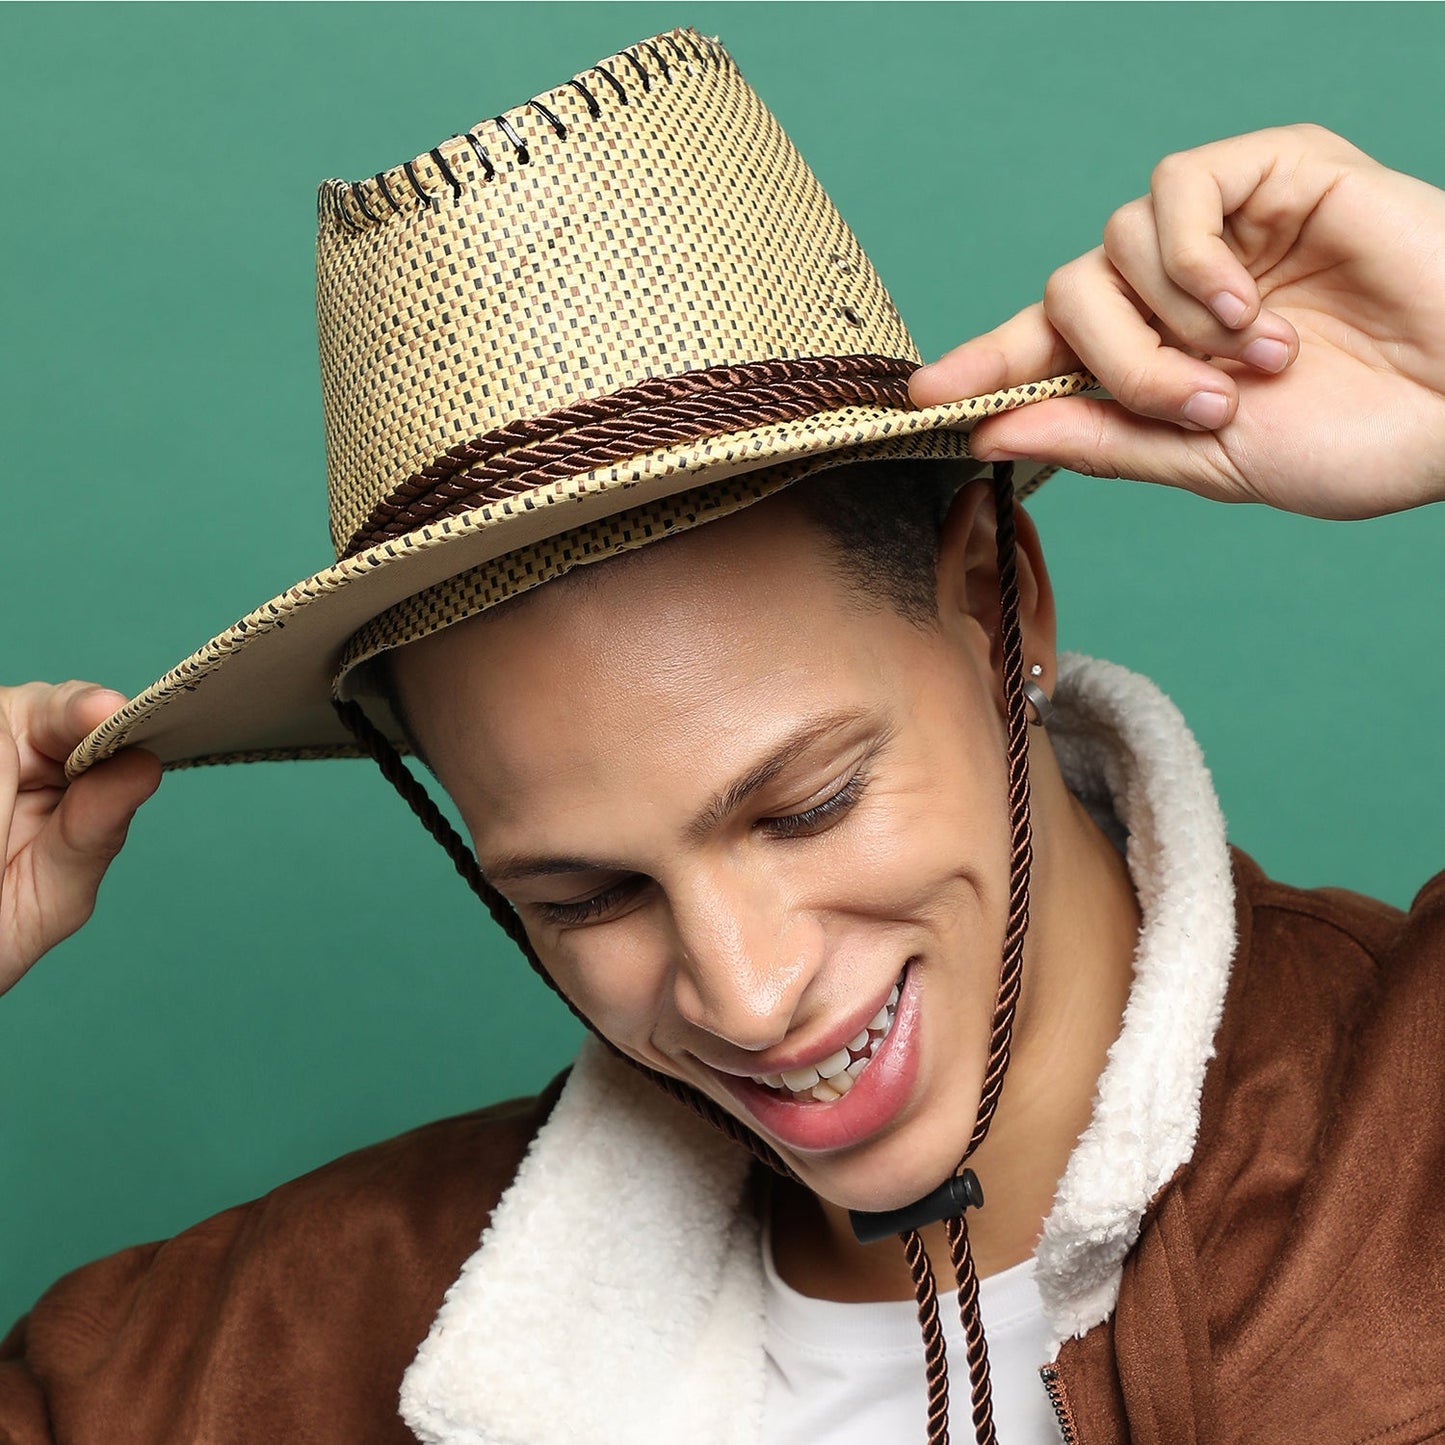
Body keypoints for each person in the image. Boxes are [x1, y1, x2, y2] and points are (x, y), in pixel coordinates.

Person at [3, 26, 1443, 1445]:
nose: (748, 998)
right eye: (586, 896)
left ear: (997, 594)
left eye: (803, 804)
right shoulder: (285, 1346)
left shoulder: (1407, 1132)